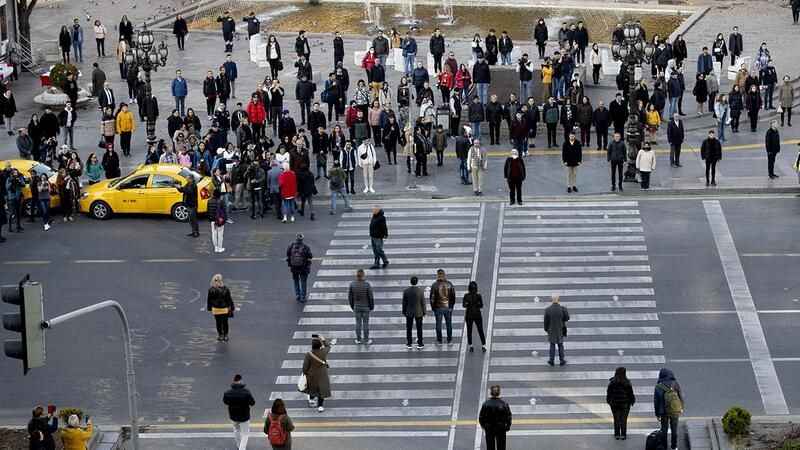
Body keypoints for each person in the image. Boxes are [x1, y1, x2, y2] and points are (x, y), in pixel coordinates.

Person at [223, 374, 256, 450]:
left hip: (233, 416)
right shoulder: (246, 392)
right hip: (244, 416)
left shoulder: (227, 393)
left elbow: (225, 402)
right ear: (241, 381)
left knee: (236, 430)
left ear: (233, 381)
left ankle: (239, 446)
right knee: (245, 434)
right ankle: (242, 448)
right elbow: (252, 403)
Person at [654, 368, 684, 450]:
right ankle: (674, 446)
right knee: (674, 429)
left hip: (663, 412)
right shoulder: (675, 384)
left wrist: (657, 414)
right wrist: (681, 407)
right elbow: (680, 396)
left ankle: (664, 446)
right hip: (674, 410)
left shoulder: (658, 386)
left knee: (664, 430)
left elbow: (656, 402)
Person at [303, 335, 331, 412]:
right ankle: (320, 406)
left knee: (312, 387)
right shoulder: (323, 352)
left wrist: (305, 373)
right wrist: (323, 339)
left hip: (312, 374)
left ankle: (311, 399)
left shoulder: (309, 354)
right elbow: (328, 346)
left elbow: (305, 366)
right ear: (320, 345)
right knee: (321, 389)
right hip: (322, 374)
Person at [479, 385, 512, 450]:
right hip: (501, 428)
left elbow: (481, 417)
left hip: (489, 428)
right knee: (501, 446)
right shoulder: (504, 404)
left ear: (491, 393)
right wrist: (507, 426)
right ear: (499, 392)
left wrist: (484, 426)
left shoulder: (486, 404)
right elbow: (508, 416)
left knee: (490, 446)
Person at [607, 367, 636, 440]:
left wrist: (609, 401)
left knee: (616, 419)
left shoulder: (612, 382)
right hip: (625, 404)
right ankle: (623, 435)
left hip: (614, 403)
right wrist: (632, 401)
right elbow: (630, 394)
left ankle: (617, 434)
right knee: (623, 419)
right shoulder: (627, 382)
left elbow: (609, 393)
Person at [349, 268, 375, 345]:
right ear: (363, 275)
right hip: (366, 307)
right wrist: (371, 306)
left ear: (356, 276)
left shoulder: (352, 284)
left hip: (357, 307)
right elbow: (370, 297)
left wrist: (352, 306)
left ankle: (358, 339)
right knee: (366, 324)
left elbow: (350, 297)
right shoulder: (367, 284)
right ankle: (366, 340)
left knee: (358, 323)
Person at [430, 269, 456, 345]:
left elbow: (432, 298)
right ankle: (449, 340)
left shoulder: (434, 285)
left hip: (438, 308)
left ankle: (439, 340)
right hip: (448, 308)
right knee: (449, 324)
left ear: (438, 275)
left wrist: (433, 308)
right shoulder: (449, 284)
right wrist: (451, 307)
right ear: (444, 275)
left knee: (438, 324)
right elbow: (453, 297)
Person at [207, 273, 234, 341]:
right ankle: (223, 335)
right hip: (220, 309)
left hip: (220, 309)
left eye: (218, 280)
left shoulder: (213, 289)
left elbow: (229, 299)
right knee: (221, 322)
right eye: (217, 280)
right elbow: (209, 299)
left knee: (222, 322)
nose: (218, 282)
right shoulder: (223, 289)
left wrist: (209, 308)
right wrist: (232, 307)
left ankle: (223, 335)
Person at [543, 295, 569, 366]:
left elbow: (546, 322)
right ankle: (562, 360)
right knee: (560, 345)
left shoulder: (548, 310)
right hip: (560, 329)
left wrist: (546, 329)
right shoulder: (563, 309)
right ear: (558, 300)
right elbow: (567, 318)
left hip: (551, 330)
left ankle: (551, 360)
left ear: (552, 300)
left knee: (552, 345)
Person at [287, 233, 312, 302]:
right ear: (302, 239)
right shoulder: (306, 247)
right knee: (303, 281)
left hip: (294, 267)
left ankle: (297, 295)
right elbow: (310, 256)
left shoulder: (291, 246)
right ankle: (303, 296)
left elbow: (288, 254)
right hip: (303, 267)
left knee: (296, 280)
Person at [402, 276, 426, 349]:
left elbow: (404, 303)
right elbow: (423, 302)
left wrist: (404, 311)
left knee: (409, 328)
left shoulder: (406, 291)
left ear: (410, 282)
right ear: (417, 282)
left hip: (409, 312)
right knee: (419, 328)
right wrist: (424, 311)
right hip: (419, 312)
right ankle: (420, 343)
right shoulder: (420, 291)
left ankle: (409, 343)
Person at [462, 281, 486, 352]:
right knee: (480, 330)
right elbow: (481, 305)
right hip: (477, 315)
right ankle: (483, 345)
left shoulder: (466, 296)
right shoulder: (478, 295)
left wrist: (468, 304)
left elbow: (464, 305)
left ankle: (470, 345)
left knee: (469, 331)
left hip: (469, 315)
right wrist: (477, 304)